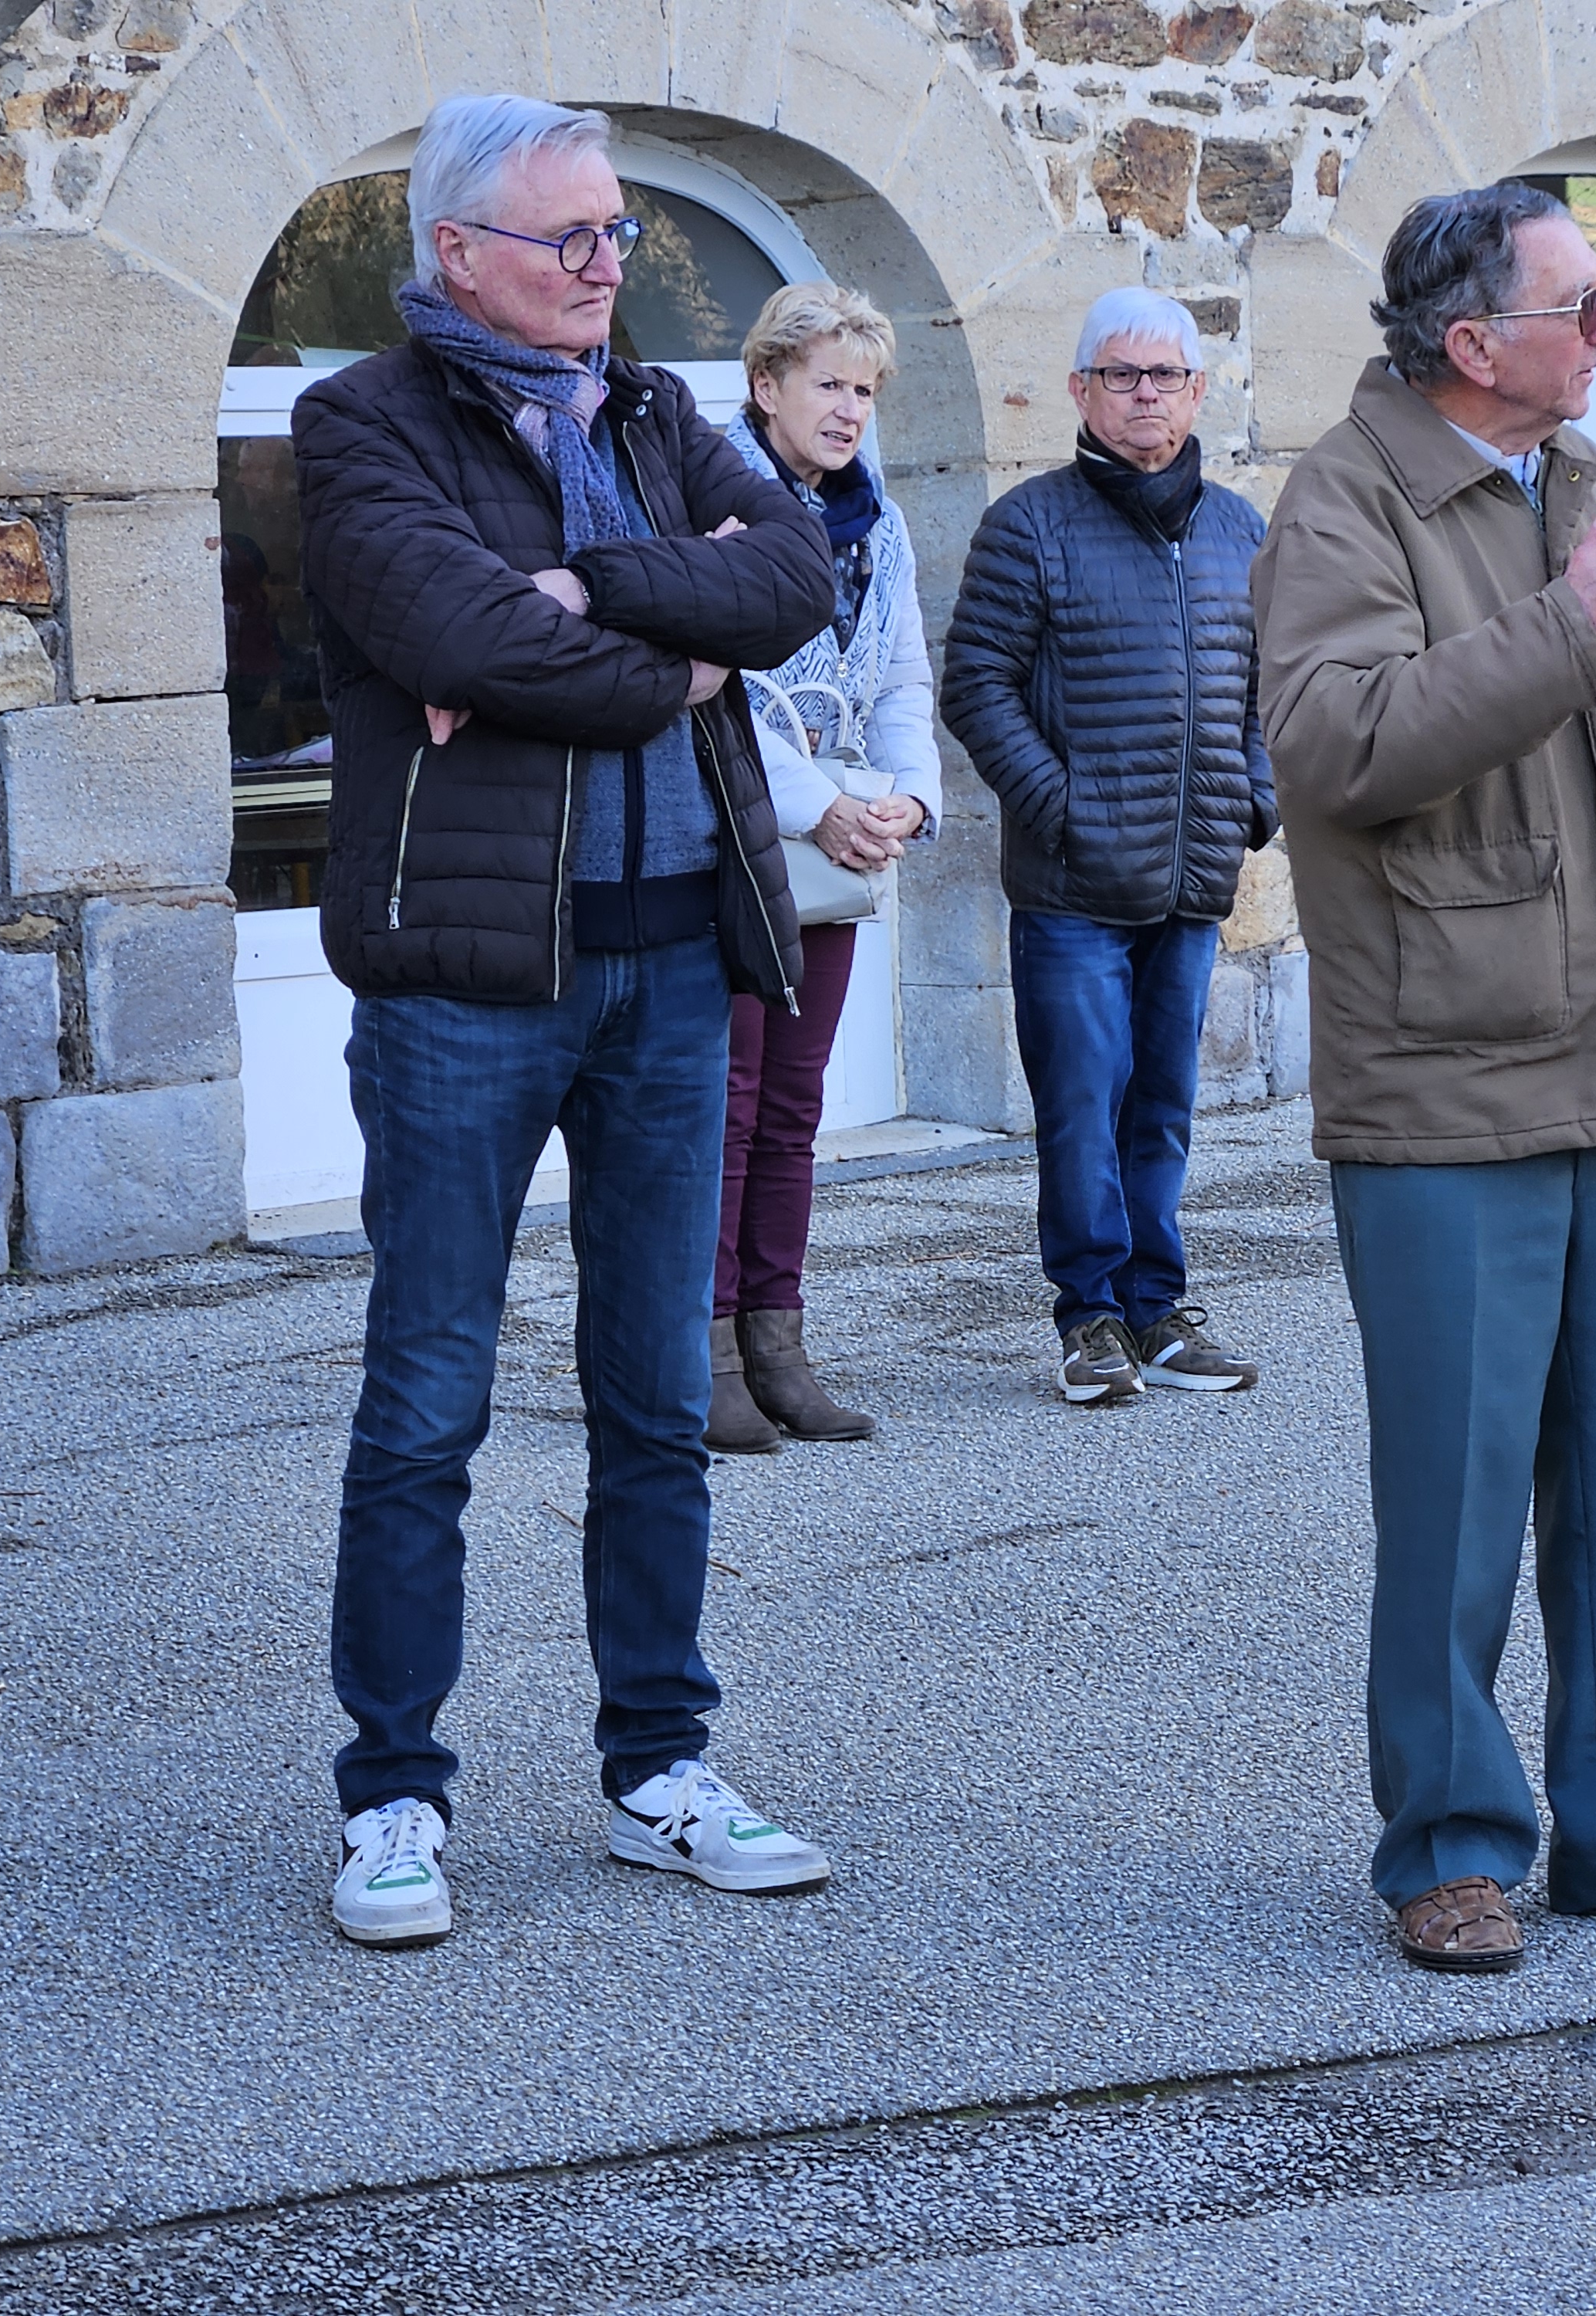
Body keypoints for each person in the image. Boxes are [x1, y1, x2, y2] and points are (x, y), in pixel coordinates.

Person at [1251, 183, 1596, 1973]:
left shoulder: (1580, 482)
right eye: (1584, 306)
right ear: (1468, 340)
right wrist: (1576, 627)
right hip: (1441, 1086)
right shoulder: (1344, 499)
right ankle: (1447, 1843)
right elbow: (1334, 752)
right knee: (1456, 1496)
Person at [292, 93, 841, 1947]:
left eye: (618, 235)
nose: (612, 266)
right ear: (459, 252)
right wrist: (666, 654)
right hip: (465, 984)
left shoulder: (661, 410)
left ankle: (658, 1769)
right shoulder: (359, 425)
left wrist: (594, 586)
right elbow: (457, 641)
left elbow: (797, 579)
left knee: (657, 1399)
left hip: (678, 961)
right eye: (573, 240)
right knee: (427, 1399)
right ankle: (390, 1797)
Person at [939, 288, 1278, 1408]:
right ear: (1082, 390)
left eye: (1166, 375)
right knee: (1084, 1104)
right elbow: (976, 688)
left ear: (1199, 390)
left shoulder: (1239, 531)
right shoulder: (1029, 525)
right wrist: (1061, 806)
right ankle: (1088, 1316)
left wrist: (1253, 802)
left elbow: (1269, 692)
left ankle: (1159, 1310)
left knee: (1163, 1106)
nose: (1146, 395)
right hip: (1074, 885)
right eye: (1122, 375)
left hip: (1189, 877)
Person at [700, 281, 943, 1457]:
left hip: (838, 853)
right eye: (828, 383)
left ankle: (777, 1344)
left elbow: (898, 680)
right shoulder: (717, 505)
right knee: (728, 1106)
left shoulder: (878, 525)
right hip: (737, 843)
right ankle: (698, 1351)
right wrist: (825, 804)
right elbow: (722, 692)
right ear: (767, 385)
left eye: (865, 389)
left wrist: (907, 798)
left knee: (794, 1109)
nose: (849, 409)